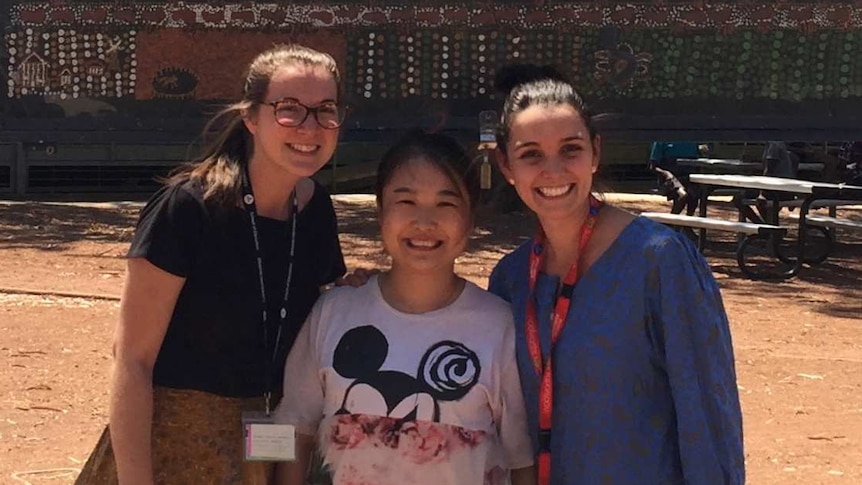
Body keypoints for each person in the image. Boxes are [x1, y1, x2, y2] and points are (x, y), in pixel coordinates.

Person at [75, 44, 349, 485]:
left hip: (274, 439)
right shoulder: (188, 208)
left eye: (325, 110)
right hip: (173, 447)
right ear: (250, 118)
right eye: (289, 109)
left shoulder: (315, 210)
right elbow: (132, 360)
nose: (309, 126)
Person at [487, 65, 745, 485]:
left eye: (570, 149)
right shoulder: (510, 280)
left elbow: (707, 415)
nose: (553, 171)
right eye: (531, 154)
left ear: (596, 153)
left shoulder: (659, 262)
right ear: (506, 165)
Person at [273, 131, 536, 485]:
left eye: (446, 203)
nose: (424, 221)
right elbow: (297, 429)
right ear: (380, 212)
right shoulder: (334, 311)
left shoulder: (499, 325)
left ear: (471, 220)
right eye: (406, 201)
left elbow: (521, 459)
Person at [648, 141, 709, 215]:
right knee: (682, 195)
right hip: (671, 177)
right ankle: (673, 221)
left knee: (694, 195)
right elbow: (653, 167)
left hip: (688, 176)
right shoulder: (661, 140)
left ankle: (687, 222)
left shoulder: (691, 140)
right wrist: (667, 175)